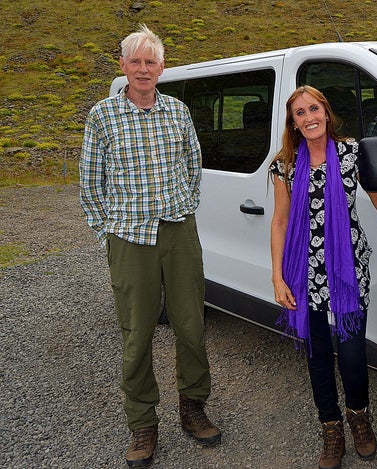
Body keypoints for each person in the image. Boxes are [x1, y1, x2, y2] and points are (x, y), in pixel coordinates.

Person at [79, 24, 221, 467]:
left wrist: (185, 206)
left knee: (190, 324)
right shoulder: (103, 115)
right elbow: (90, 183)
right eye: (135, 61)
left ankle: (192, 406)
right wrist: (107, 231)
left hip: (178, 231)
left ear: (162, 67)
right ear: (122, 66)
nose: (143, 69)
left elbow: (193, 165)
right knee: (137, 333)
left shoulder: (177, 111)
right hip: (129, 238)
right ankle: (142, 422)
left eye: (151, 61)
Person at [269, 85, 377, 469]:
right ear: (293, 123)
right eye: (299, 113)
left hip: (346, 270)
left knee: (354, 353)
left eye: (314, 109)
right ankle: (331, 427)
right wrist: (277, 276)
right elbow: (279, 221)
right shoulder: (285, 165)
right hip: (303, 272)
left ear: (326, 112)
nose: (308, 118)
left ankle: (359, 417)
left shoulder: (351, 153)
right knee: (318, 354)